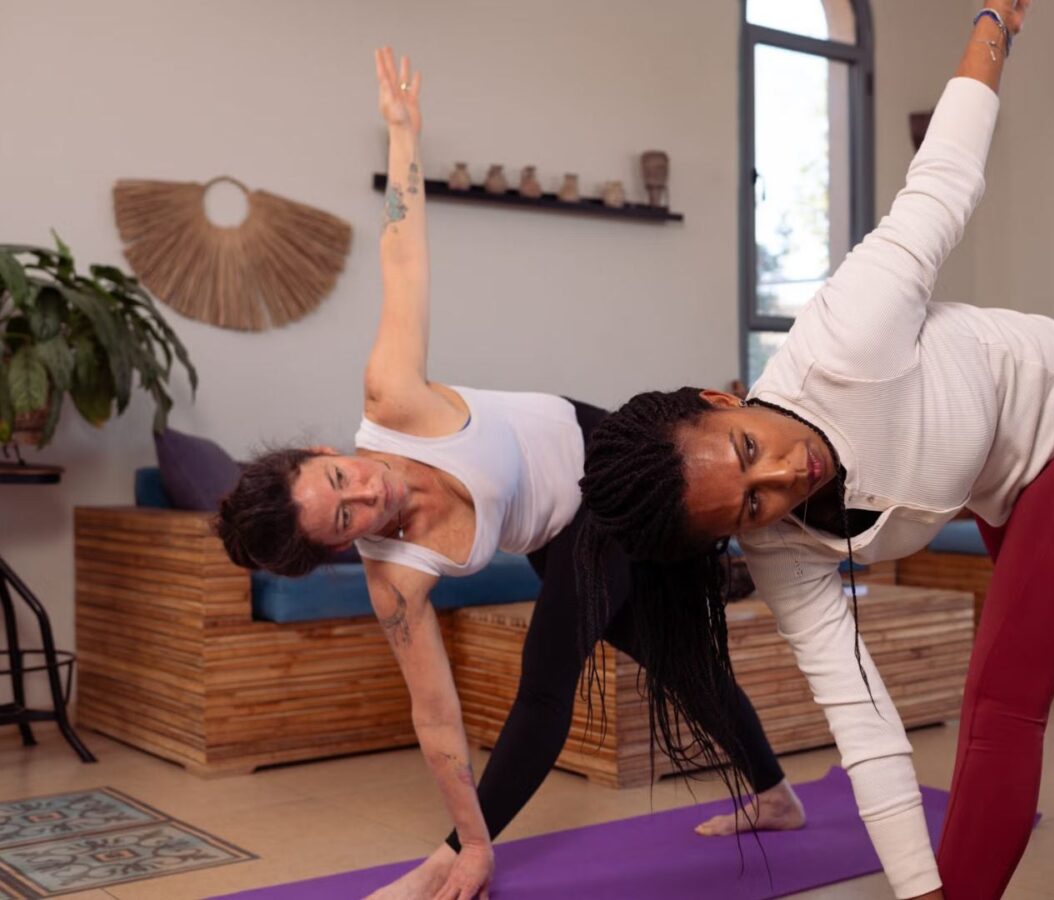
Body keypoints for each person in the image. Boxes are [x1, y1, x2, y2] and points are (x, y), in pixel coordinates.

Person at [574, 6, 1054, 899]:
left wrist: (996, 19)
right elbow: (863, 722)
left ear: (722, 399)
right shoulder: (783, 552)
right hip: (1021, 489)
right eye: (749, 507)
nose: (781, 479)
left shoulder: (846, 338)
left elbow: (945, 177)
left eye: (748, 449)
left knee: (1001, 701)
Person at [213, 47, 802, 900]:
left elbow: (403, 260)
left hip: (610, 465)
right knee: (672, 650)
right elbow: (436, 717)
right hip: (559, 528)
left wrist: (403, 136)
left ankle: (453, 856)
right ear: (341, 549)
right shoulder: (395, 583)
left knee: (546, 682)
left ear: (325, 452)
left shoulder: (394, 398)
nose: (364, 495)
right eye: (342, 520)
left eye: (339, 478)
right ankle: (777, 796)